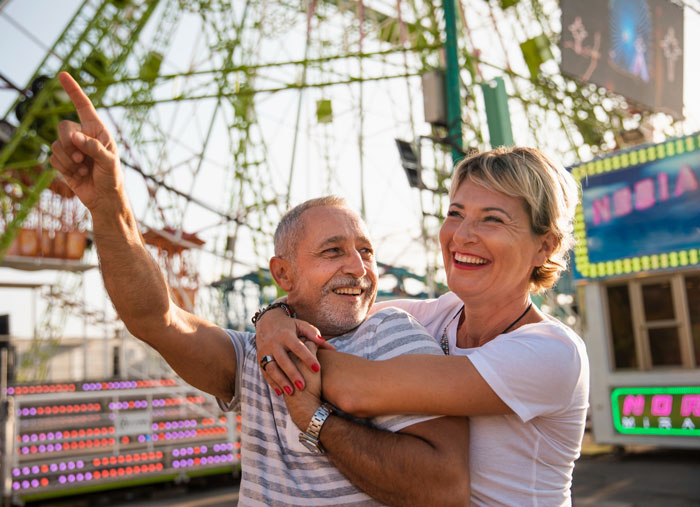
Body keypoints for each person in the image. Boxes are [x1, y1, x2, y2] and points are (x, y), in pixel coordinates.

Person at [49, 72, 470, 506]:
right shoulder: (254, 357)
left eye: (366, 250)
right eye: (332, 251)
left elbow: (444, 488)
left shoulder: (395, 335)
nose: (358, 267)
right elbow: (155, 318)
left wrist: (315, 419)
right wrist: (109, 204)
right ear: (283, 275)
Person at [256, 147, 590, 506]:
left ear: (545, 247)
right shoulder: (435, 316)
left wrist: (281, 342)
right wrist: (271, 318)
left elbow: (357, 391)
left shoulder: (552, 353)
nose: (462, 236)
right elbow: (323, 311)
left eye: (491, 219)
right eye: (455, 214)